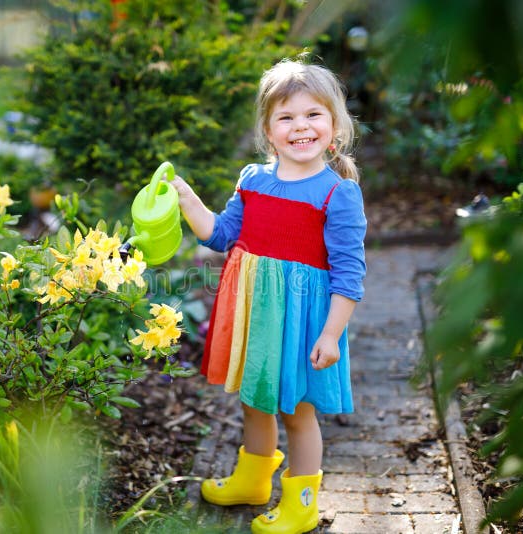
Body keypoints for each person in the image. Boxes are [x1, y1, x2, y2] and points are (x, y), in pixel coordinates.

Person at [170, 58, 366, 534]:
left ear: (335, 126)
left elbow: (349, 274)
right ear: (268, 130)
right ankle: (253, 479)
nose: (300, 126)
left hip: (302, 321)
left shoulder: (336, 193)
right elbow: (221, 235)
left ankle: (301, 504)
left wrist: (331, 334)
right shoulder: (253, 181)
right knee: (255, 400)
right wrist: (186, 200)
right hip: (255, 315)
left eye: (313, 115)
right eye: (286, 117)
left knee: (296, 411)